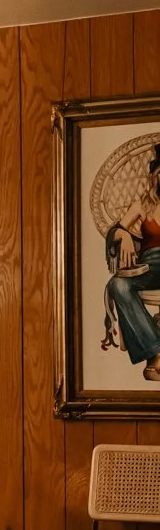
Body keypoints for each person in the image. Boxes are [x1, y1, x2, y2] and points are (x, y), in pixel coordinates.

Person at [103, 143, 160, 379]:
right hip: (150, 264)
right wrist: (123, 234)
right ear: (155, 176)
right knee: (117, 284)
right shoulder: (142, 205)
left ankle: (154, 359)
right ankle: (156, 351)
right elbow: (113, 231)